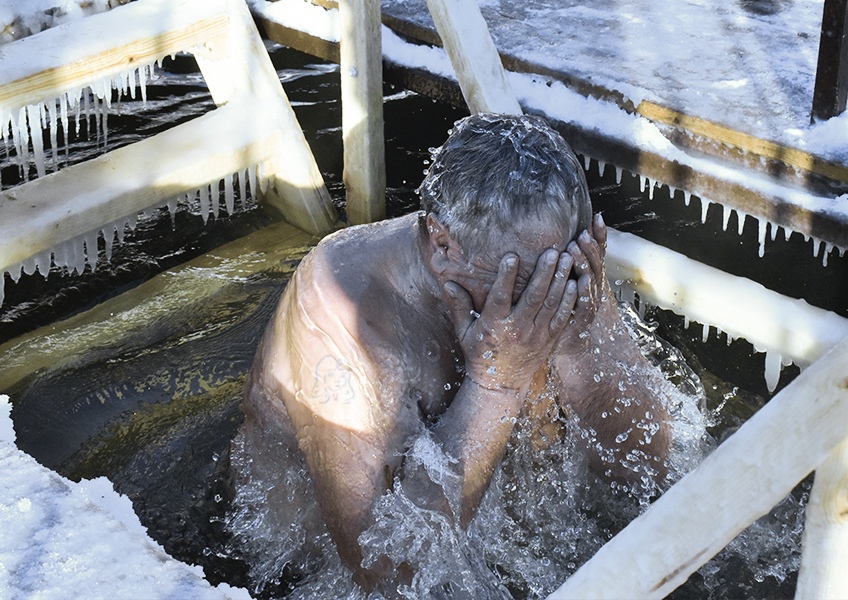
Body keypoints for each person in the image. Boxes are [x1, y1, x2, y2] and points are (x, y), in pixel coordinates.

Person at [239, 113, 673, 593]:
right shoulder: (343, 309)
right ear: (442, 242)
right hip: (304, 575)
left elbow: (647, 469)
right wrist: (496, 384)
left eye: (560, 280)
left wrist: (577, 341)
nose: (542, 308)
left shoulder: (556, 267)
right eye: (524, 288)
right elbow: (384, 571)